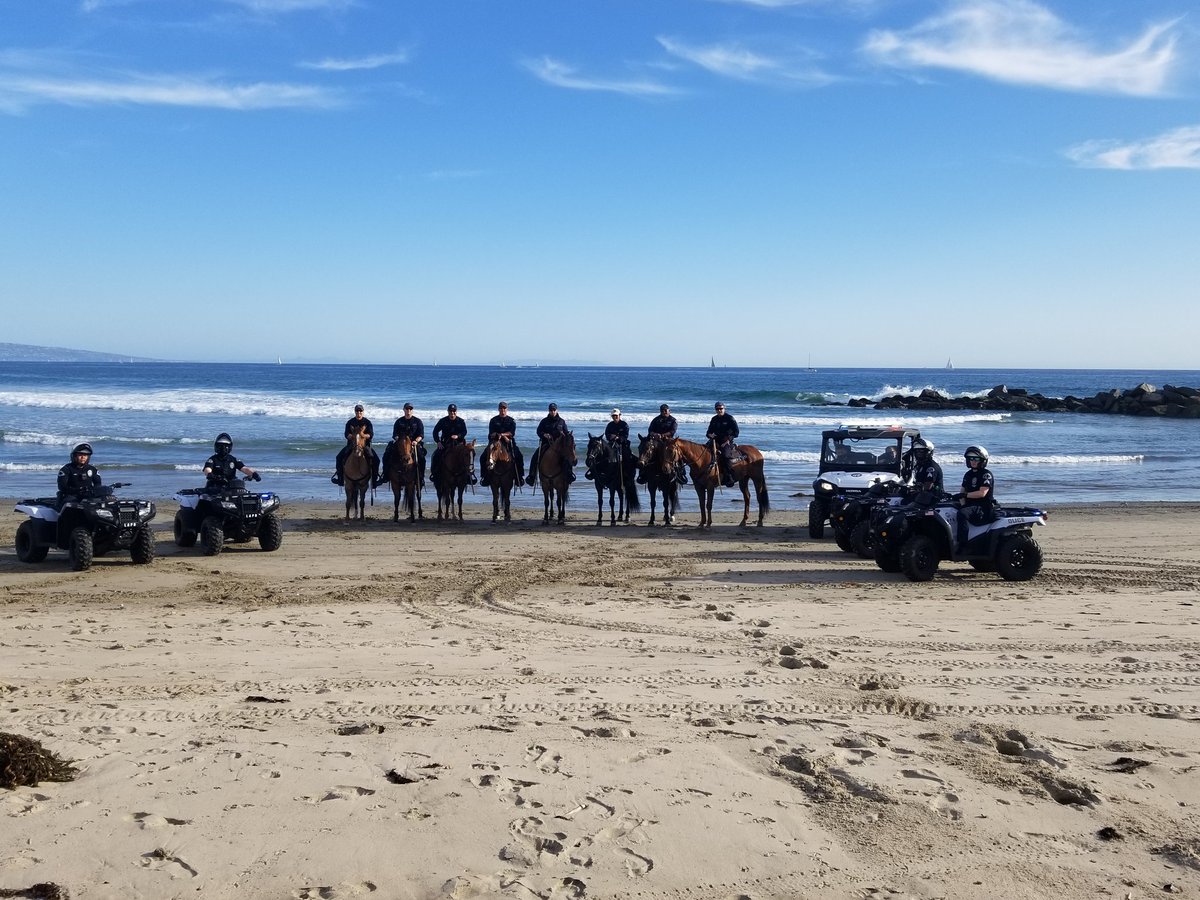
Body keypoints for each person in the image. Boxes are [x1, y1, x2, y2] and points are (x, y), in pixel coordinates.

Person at [956, 445, 995, 550]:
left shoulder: (986, 475)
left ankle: (963, 544)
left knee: (962, 514)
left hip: (983, 507)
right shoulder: (968, 474)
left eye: (976, 459)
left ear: (982, 460)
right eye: (971, 458)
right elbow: (962, 491)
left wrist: (965, 496)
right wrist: (961, 501)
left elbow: (982, 493)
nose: (973, 461)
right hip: (971, 505)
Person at [332, 404, 381, 487]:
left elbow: (371, 434)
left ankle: (374, 480)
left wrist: (363, 435)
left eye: (360, 411)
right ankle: (340, 478)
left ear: (363, 412)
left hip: (365, 445)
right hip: (352, 445)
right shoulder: (350, 422)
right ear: (355, 412)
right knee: (339, 457)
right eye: (357, 411)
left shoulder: (367, 422)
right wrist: (351, 436)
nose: (359, 413)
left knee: (376, 460)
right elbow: (346, 434)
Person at [526, 403, 575, 485]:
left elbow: (566, 433)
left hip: (559, 446)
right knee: (535, 457)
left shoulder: (561, 421)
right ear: (549, 411)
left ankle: (569, 475)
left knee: (567, 457)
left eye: (554, 410)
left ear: (557, 410)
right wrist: (544, 435)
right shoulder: (544, 421)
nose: (553, 412)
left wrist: (566, 434)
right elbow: (538, 431)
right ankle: (532, 476)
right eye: (551, 410)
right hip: (546, 444)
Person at [381, 403, 426, 486]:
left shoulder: (417, 421)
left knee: (421, 458)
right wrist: (398, 439)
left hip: (414, 443)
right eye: (407, 409)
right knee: (387, 454)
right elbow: (394, 434)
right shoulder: (399, 421)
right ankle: (385, 475)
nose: (408, 410)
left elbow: (421, 435)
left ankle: (421, 477)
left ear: (412, 410)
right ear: (404, 410)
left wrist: (416, 441)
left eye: (410, 409)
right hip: (400, 443)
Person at [640, 403, 685, 484]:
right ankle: (643, 473)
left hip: (668, 441)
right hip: (656, 441)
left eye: (665, 410)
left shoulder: (673, 420)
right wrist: (654, 434)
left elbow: (673, 431)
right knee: (646, 450)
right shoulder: (656, 420)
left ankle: (681, 473)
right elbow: (650, 430)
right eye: (662, 411)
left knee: (677, 452)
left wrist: (663, 435)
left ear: (669, 411)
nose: (664, 412)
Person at [481, 402, 523, 487]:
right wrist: (497, 435)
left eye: (504, 408)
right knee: (483, 457)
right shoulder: (493, 420)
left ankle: (519, 477)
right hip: (495, 442)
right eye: (501, 408)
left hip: (508, 442)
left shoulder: (511, 421)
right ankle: (485, 477)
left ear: (507, 409)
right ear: (498, 409)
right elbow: (491, 433)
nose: (502, 410)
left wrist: (502, 435)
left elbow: (512, 433)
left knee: (519, 456)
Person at [432, 403, 474, 485]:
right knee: (436, 455)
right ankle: (435, 474)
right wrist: (438, 442)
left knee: (468, 456)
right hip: (446, 444)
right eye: (450, 411)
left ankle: (469, 476)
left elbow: (464, 431)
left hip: (459, 444)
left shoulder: (461, 421)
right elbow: (435, 432)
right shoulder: (443, 421)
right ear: (448, 411)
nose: (452, 413)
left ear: (456, 411)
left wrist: (458, 436)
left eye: (454, 411)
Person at [588, 408, 630, 479]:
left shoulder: (624, 425)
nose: (615, 417)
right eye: (613, 416)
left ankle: (627, 473)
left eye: (616, 416)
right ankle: (593, 471)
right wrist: (611, 437)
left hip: (622, 444)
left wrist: (618, 438)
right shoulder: (610, 425)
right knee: (600, 453)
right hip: (611, 444)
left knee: (627, 456)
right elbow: (607, 434)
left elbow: (625, 436)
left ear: (619, 415)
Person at [706, 402, 741, 487]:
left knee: (725, 455)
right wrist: (710, 435)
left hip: (726, 441)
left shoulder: (729, 418)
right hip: (715, 441)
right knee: (704, 452)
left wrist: (728, 440)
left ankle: (729, 476)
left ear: (724, 409)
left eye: (721, 409)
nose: (719, 410)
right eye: (717, 409)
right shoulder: (714, 419)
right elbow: (708, 432)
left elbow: (736, 432)